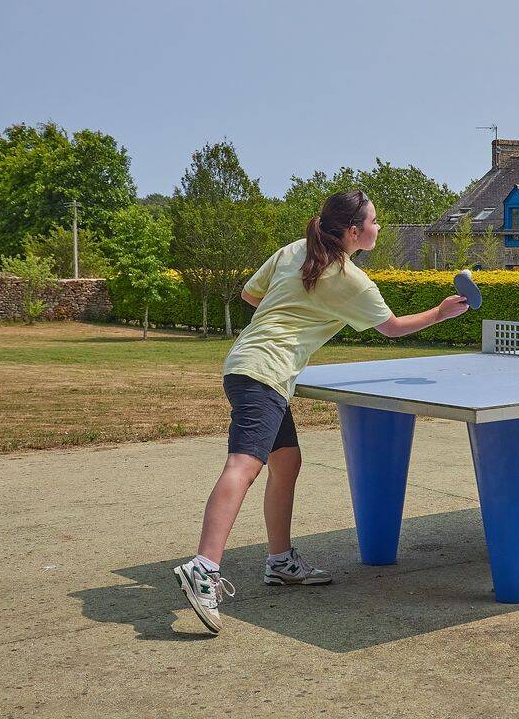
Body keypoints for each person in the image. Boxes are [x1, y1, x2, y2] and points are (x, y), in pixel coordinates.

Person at [174, 189, 469, 634]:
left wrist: (298, 310)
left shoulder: (296, 251)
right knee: (243, 465)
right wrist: (441, 313)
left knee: (287, 462)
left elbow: (252, 296)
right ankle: (204, 568)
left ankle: (279, 561)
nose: (378, 227)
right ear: (354, 232)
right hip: (264, 372)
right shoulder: (350, 280)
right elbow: (392, 329)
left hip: (246, 364)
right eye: (374, 221)